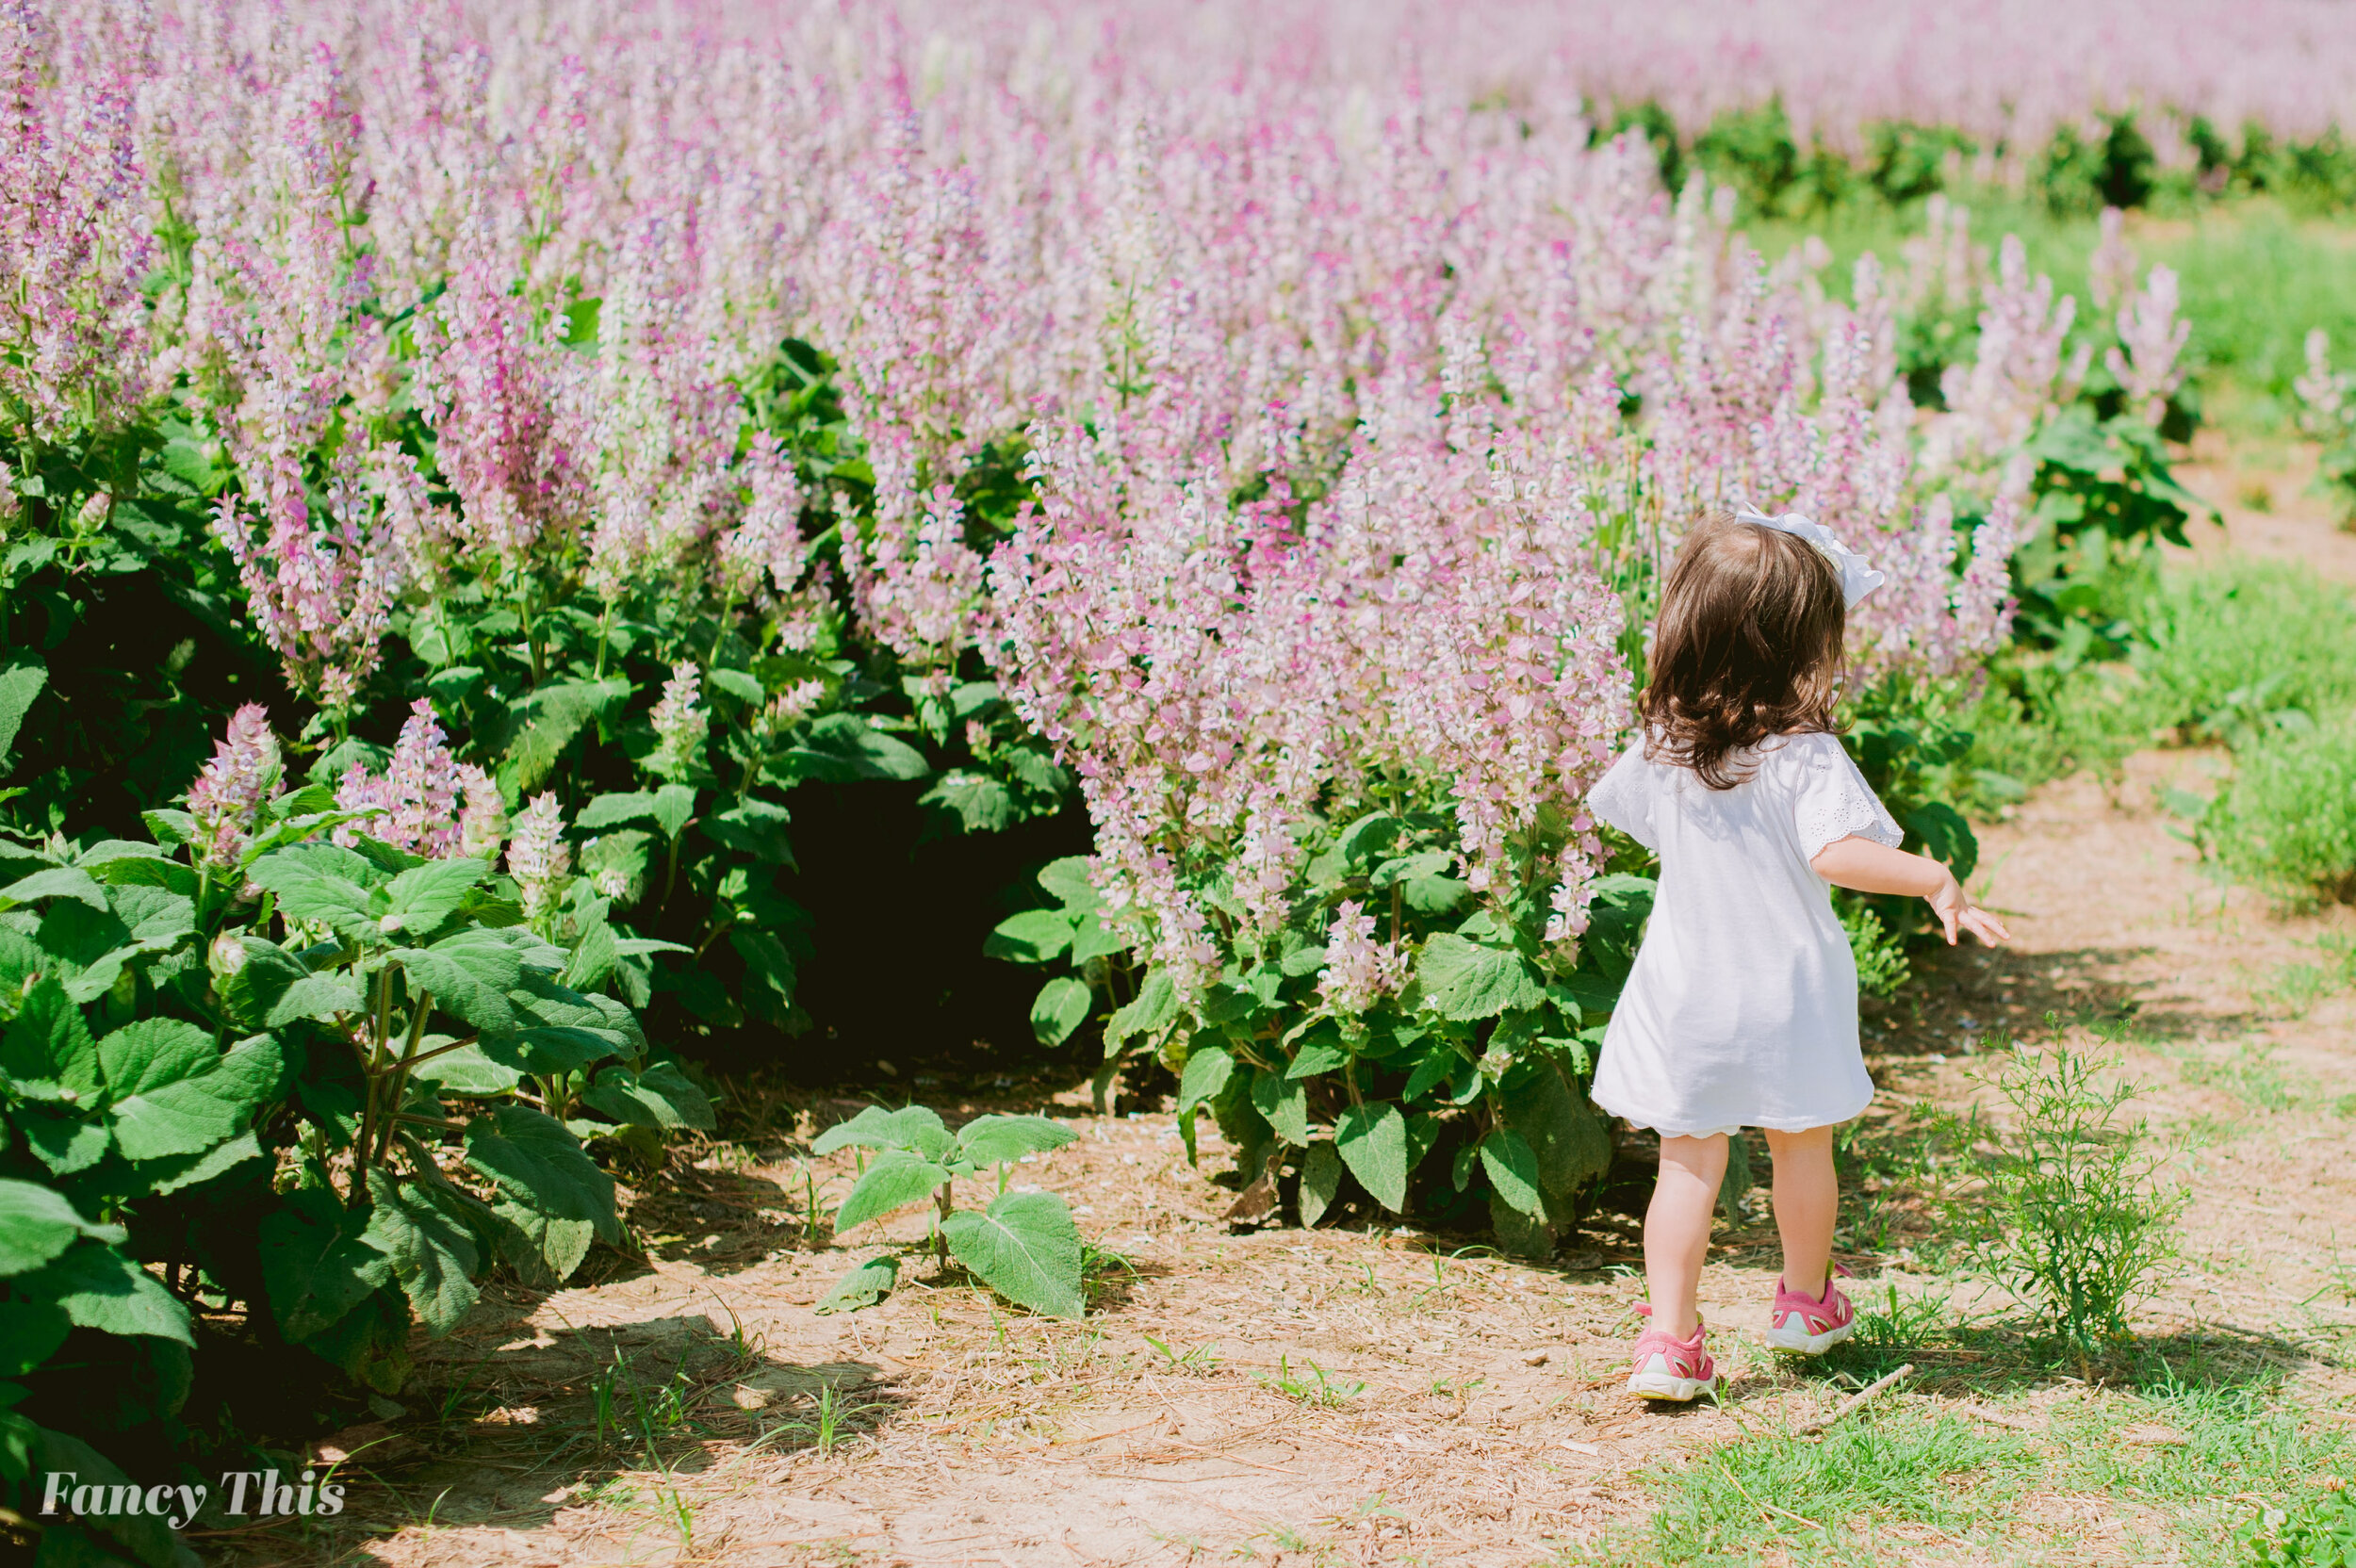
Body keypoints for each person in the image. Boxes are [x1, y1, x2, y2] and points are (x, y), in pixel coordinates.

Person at [1583, 505, 2010, 1402]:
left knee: (1686, 1162)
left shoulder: (1666, 745)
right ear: (1804, 646)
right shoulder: (1804, 754)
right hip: (1784, 990)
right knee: (1800, 1149)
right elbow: (1834, 855)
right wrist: (1933, 876)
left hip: (1686, 985)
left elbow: (1623, 817)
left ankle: (1669, 1341)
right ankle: (1805, 1304)